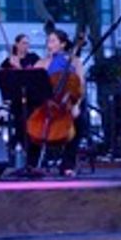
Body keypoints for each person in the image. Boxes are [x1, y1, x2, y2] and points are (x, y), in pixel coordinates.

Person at [31, 28, 85, 174]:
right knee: (29, 122)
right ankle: (32, 163)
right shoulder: (42, 63)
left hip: (66, 104)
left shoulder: (74, 61)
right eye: (49, 41)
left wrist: (76, 105)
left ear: (62, 44)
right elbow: (33, 85)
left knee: (79, 122)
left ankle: (67, 164)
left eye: (53, 41)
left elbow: (80, 86)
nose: (50, 44)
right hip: (46, 104)